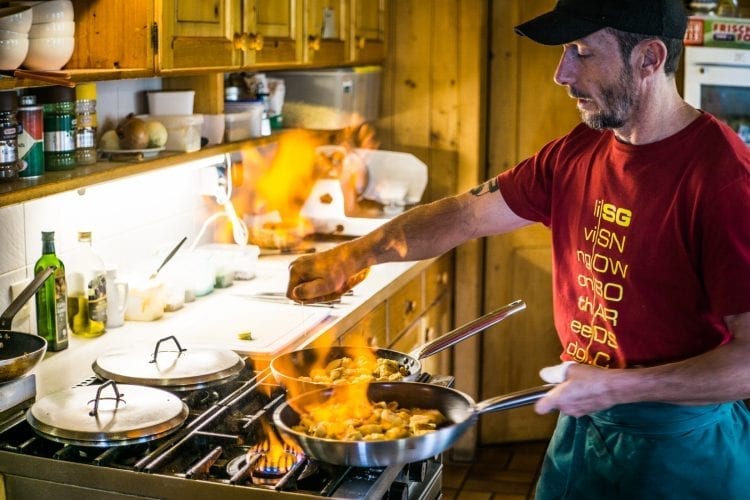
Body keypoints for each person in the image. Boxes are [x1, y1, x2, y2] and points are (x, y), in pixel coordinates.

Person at [286, 0, 750, 497]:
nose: (561, 73)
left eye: (581, 52)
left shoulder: (724, 179)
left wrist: (620, 387)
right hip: (583, 424)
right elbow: (465, 214)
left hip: (681, 446)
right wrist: (353, 255)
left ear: (649, 59)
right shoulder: (580, 150)